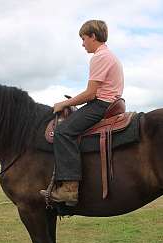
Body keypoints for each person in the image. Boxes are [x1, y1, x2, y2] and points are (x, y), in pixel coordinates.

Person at [40, 19, 124, 206]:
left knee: (63, 132)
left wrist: (64, 103)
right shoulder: (110, 56)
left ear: (93, 36)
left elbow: (90, 93)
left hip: (101, 104)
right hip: (109, 102)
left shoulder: (100, 57)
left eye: (84, 38)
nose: (82, 43)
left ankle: (69, 189)